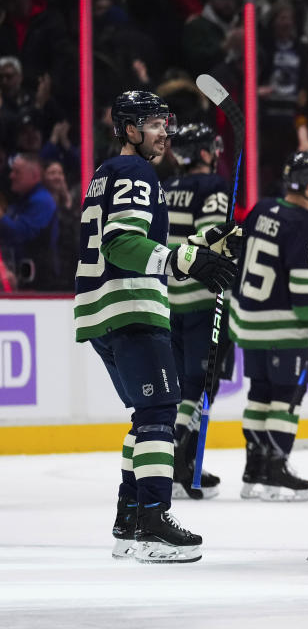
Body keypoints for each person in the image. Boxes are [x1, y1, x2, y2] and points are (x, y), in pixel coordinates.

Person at [74, 91, 237, 563]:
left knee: (146, 416)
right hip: (130, 306)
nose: (164, 131)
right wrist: (181, 260)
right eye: (152, 123)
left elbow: (130, 239)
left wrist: (199, 245)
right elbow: (121, 244)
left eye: (165, 122)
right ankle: (151, 522)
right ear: (128, 129)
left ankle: (130, 521)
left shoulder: (108, 173)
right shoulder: (136, 171)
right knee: (161, 413)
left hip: (102, 309)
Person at [230, 151, 308, 502]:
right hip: (282, 329)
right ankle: (277, 467)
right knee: (286, 398)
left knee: (259, 393)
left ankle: (254, 467)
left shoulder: (261, 209)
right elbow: (307, 295)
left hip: (249, 324)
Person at [162, 123, 236, 500]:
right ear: (205, 153)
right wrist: (234, 238)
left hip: (170, 300)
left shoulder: (167, 188)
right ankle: (176, 455)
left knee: (182, 385)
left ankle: (184, 460)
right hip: (204, 300)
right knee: (202, 384)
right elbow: (212, 239)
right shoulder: (212, 188)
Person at [0, 152, 58, 290]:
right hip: (20, 280)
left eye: (17, 172)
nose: (11, 176)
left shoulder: (42, 201)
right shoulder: (20, 202)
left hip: (42, 287)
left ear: (34, 175)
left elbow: (19, 234)